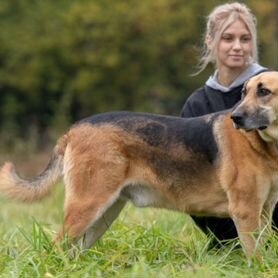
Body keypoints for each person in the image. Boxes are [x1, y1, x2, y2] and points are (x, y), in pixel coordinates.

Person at [180, 2, 277, 245]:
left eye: (245, 39)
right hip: (219, 214)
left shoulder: (272, 86)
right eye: (227, 38)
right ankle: (232, 243)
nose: (237, 47)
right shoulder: (197, 104)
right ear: (210, 41)